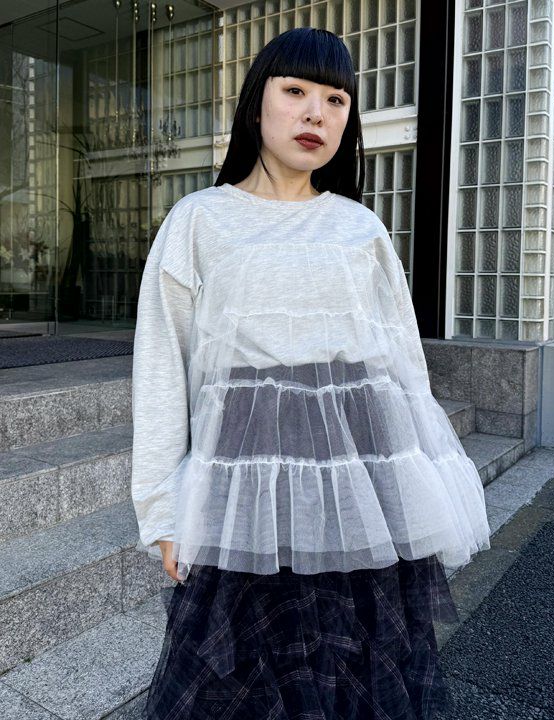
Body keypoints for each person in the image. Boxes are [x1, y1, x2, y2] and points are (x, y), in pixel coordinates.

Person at [131, 26, 491, 720]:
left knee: (355, 681)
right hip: (240, 489)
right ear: (255, 103)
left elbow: (402, 368)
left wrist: (421, 486)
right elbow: (160, 370)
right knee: (242, 683)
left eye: (335, 100)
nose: (315, 114)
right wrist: (161, 511)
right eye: (295, 91)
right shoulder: (200, 221)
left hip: (357, 489)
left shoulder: (360, 228)